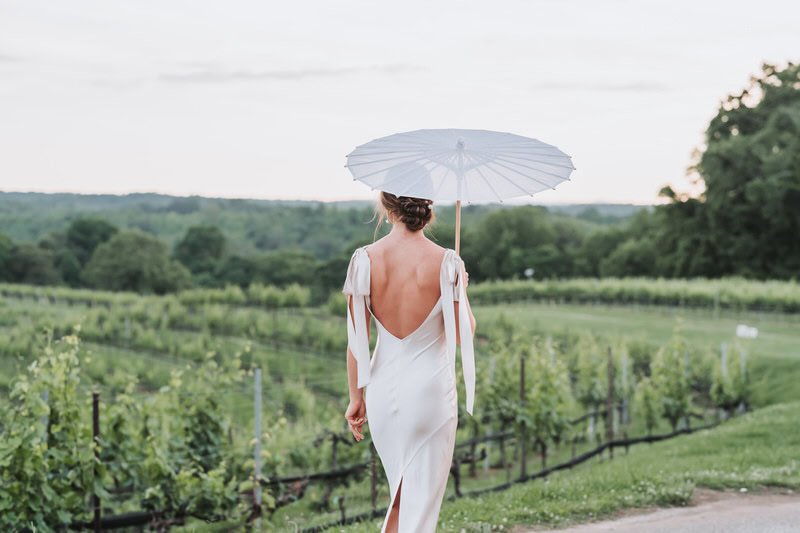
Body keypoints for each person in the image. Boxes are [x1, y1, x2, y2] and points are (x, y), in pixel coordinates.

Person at [341, 191, 477, 533]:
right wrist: (461, 288)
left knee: (400, 494)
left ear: (387, 208)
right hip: (430, 391)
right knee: (419, 501)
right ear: (427, 207)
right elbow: (464, 335)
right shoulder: (446, 262)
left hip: (383, 391)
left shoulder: (364, 259)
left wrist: (356, 398)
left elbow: (357, 342)